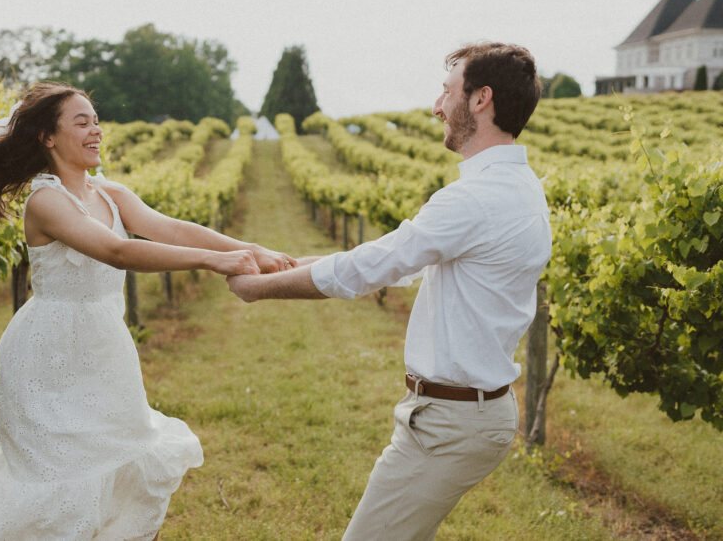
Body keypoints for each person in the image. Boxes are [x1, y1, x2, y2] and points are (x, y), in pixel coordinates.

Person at [0, 82, 294, 540]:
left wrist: (251, 248)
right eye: (81, 122)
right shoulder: (45, 201)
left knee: (117, 464)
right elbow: (118, 252)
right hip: (46, 359)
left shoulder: (110, 194)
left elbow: (175, 230)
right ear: (47, 136)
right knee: (60, 484)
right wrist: (214, 261)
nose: (96, 130)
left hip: (104, 352)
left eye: (96, 120)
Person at [227, 42, 552, 540]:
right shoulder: (518, 187)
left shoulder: (475, 199)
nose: (436, 107)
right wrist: (291, 261)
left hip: (451, 423)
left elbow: (369, 269)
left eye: (447, 92)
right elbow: (401, 262)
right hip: (462, 415)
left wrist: (259, 287)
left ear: (481, 99)